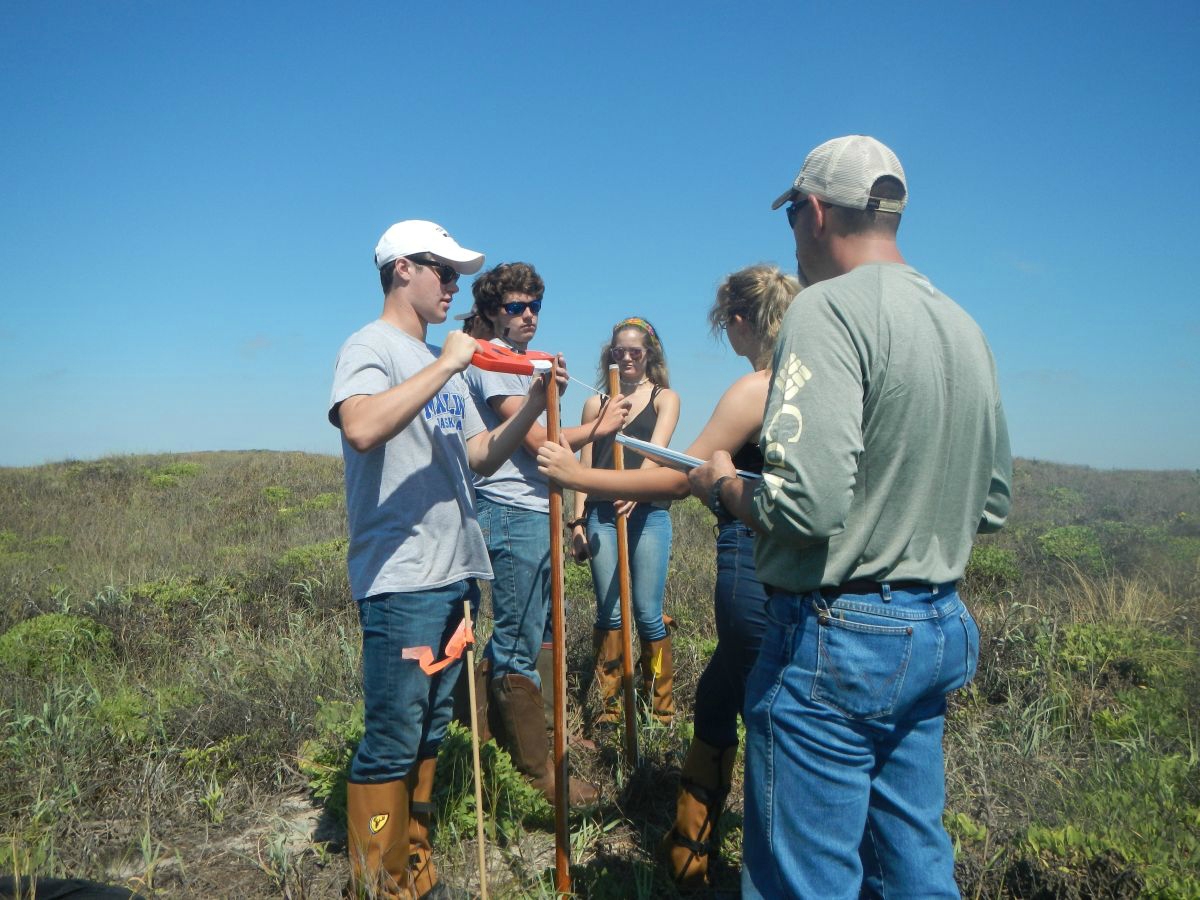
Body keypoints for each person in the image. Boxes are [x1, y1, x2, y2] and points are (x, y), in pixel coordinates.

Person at [688, 136, 1013, 899]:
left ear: (816, 211)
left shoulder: (826, 313)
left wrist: (725, 485)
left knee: (805, 878)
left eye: (793, 215)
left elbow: (805, 506)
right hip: (936, 625)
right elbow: (992, 501)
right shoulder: (962, 324)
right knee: (912, 861)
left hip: (835, 636)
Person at [537, 266, 801, 887]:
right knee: (720, 690)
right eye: (620, 351)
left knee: (743, 698)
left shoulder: (752, 390)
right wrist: (586, 503)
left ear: (739, 320)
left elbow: (676, 472)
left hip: (741, 563)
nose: (627, 359)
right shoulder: (824, 383)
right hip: (815, 580)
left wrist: (579, 477)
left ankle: (706, 853)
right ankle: (694, 852)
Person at [329, 219, 562, 899]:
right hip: (403, 579)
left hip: (456, 574)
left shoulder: (442, 361)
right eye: (444, 271)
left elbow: (482, 456)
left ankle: (416, 869)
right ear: (403, 269)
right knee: (393, 736)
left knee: (430, 730)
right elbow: (363, 426)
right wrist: (448, 363)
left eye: (457, 273)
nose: (454, 285)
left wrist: (538, 401)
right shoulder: (372, 346)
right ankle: (380, 884)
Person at [462, 262, 629, 806]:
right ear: (492, 312)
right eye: (515, 307)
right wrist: (600, 428)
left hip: (537, 508)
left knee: (532, 630)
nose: (528, 314)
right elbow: (538, 442)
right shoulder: (491, 364)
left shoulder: (519, 362)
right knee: (516, 639)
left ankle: (499, 744)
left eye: (534, 305)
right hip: (511, 510)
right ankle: (537, 776)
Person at [569, 318, 680, 728]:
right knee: (609, 611)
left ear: (650, 353)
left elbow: (658, 450)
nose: (628, 357)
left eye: (636, 351)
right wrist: (577, 522)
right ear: (610, 356)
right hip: (600, 513)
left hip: (648, 513)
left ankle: (661, 709)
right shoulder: (595, 404)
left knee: (648, 612)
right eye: (620, 352)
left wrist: (636, 489)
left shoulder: (665, 398)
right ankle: (610, 707)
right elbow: (584, 467)